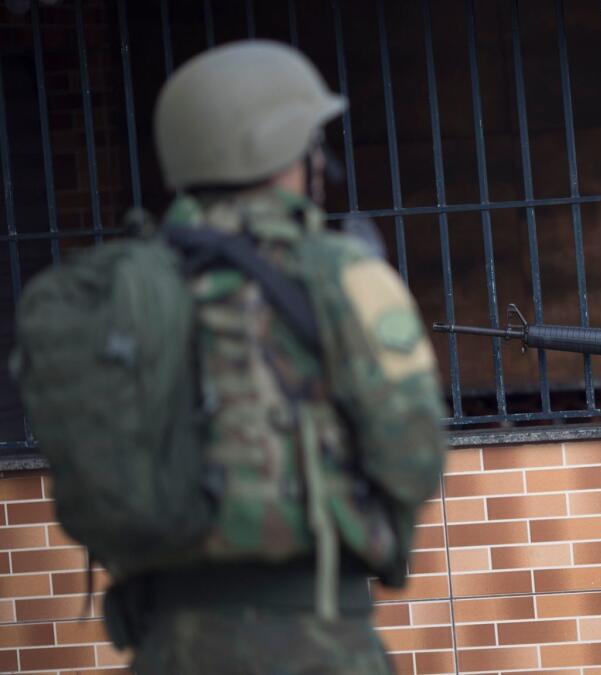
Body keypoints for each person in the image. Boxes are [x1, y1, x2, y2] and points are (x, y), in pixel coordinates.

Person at [116, 41, 446, 673]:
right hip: (315, 638)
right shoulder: (338, 272)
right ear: (289, 155)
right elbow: (413, 458)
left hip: (163, 645)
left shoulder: (127, 289)